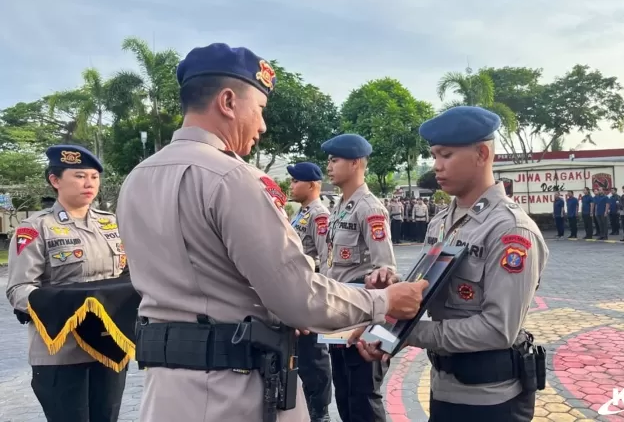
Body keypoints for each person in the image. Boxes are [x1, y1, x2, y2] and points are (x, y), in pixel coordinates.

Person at [115, 43, 427, 422]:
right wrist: (386, 302)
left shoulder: (137, 179)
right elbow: (298, 296)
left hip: (166, 393)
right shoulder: (231, 179)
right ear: (228, 102)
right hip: (235, 393)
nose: (262, 125)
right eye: (259, 109)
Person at [356, 106, 549, 422]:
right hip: (445, 387)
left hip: (491, 399)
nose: (436, 167)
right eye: (434, 155)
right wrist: (390, 310)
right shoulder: (441, 223)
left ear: (481, 154)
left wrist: (410, 334)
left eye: (445, 155)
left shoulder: (510, 229)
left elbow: (497, 330)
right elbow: (427, 293)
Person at [6, 145, 129, 422]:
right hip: (61, 354)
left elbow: (129, 276)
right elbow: (18, 290)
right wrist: (73, 305)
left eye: (94, 177)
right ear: (55, 180)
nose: (89, 184)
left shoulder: (111, 224)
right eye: (80, 176)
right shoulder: (34, 228)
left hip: (109, 348)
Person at [321, 133, 396, 422]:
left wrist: (373, 326)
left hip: (362, 322)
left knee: (364, 396)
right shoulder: (340, 207)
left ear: (354, 163)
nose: (329, 166)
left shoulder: (370, 208)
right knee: (345, 394)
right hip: (339, 316)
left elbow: (385, 270)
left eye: (335, 160)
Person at [286, 162, 333, 422]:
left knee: (315, 358)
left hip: (311, 295)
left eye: (296, 181)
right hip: (297, 295)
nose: (292, 185)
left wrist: (319, 301)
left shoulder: (319, 216)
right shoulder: (301, 213)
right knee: (303, 357)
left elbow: (326, 260)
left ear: (312, 185)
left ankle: (320, 412)